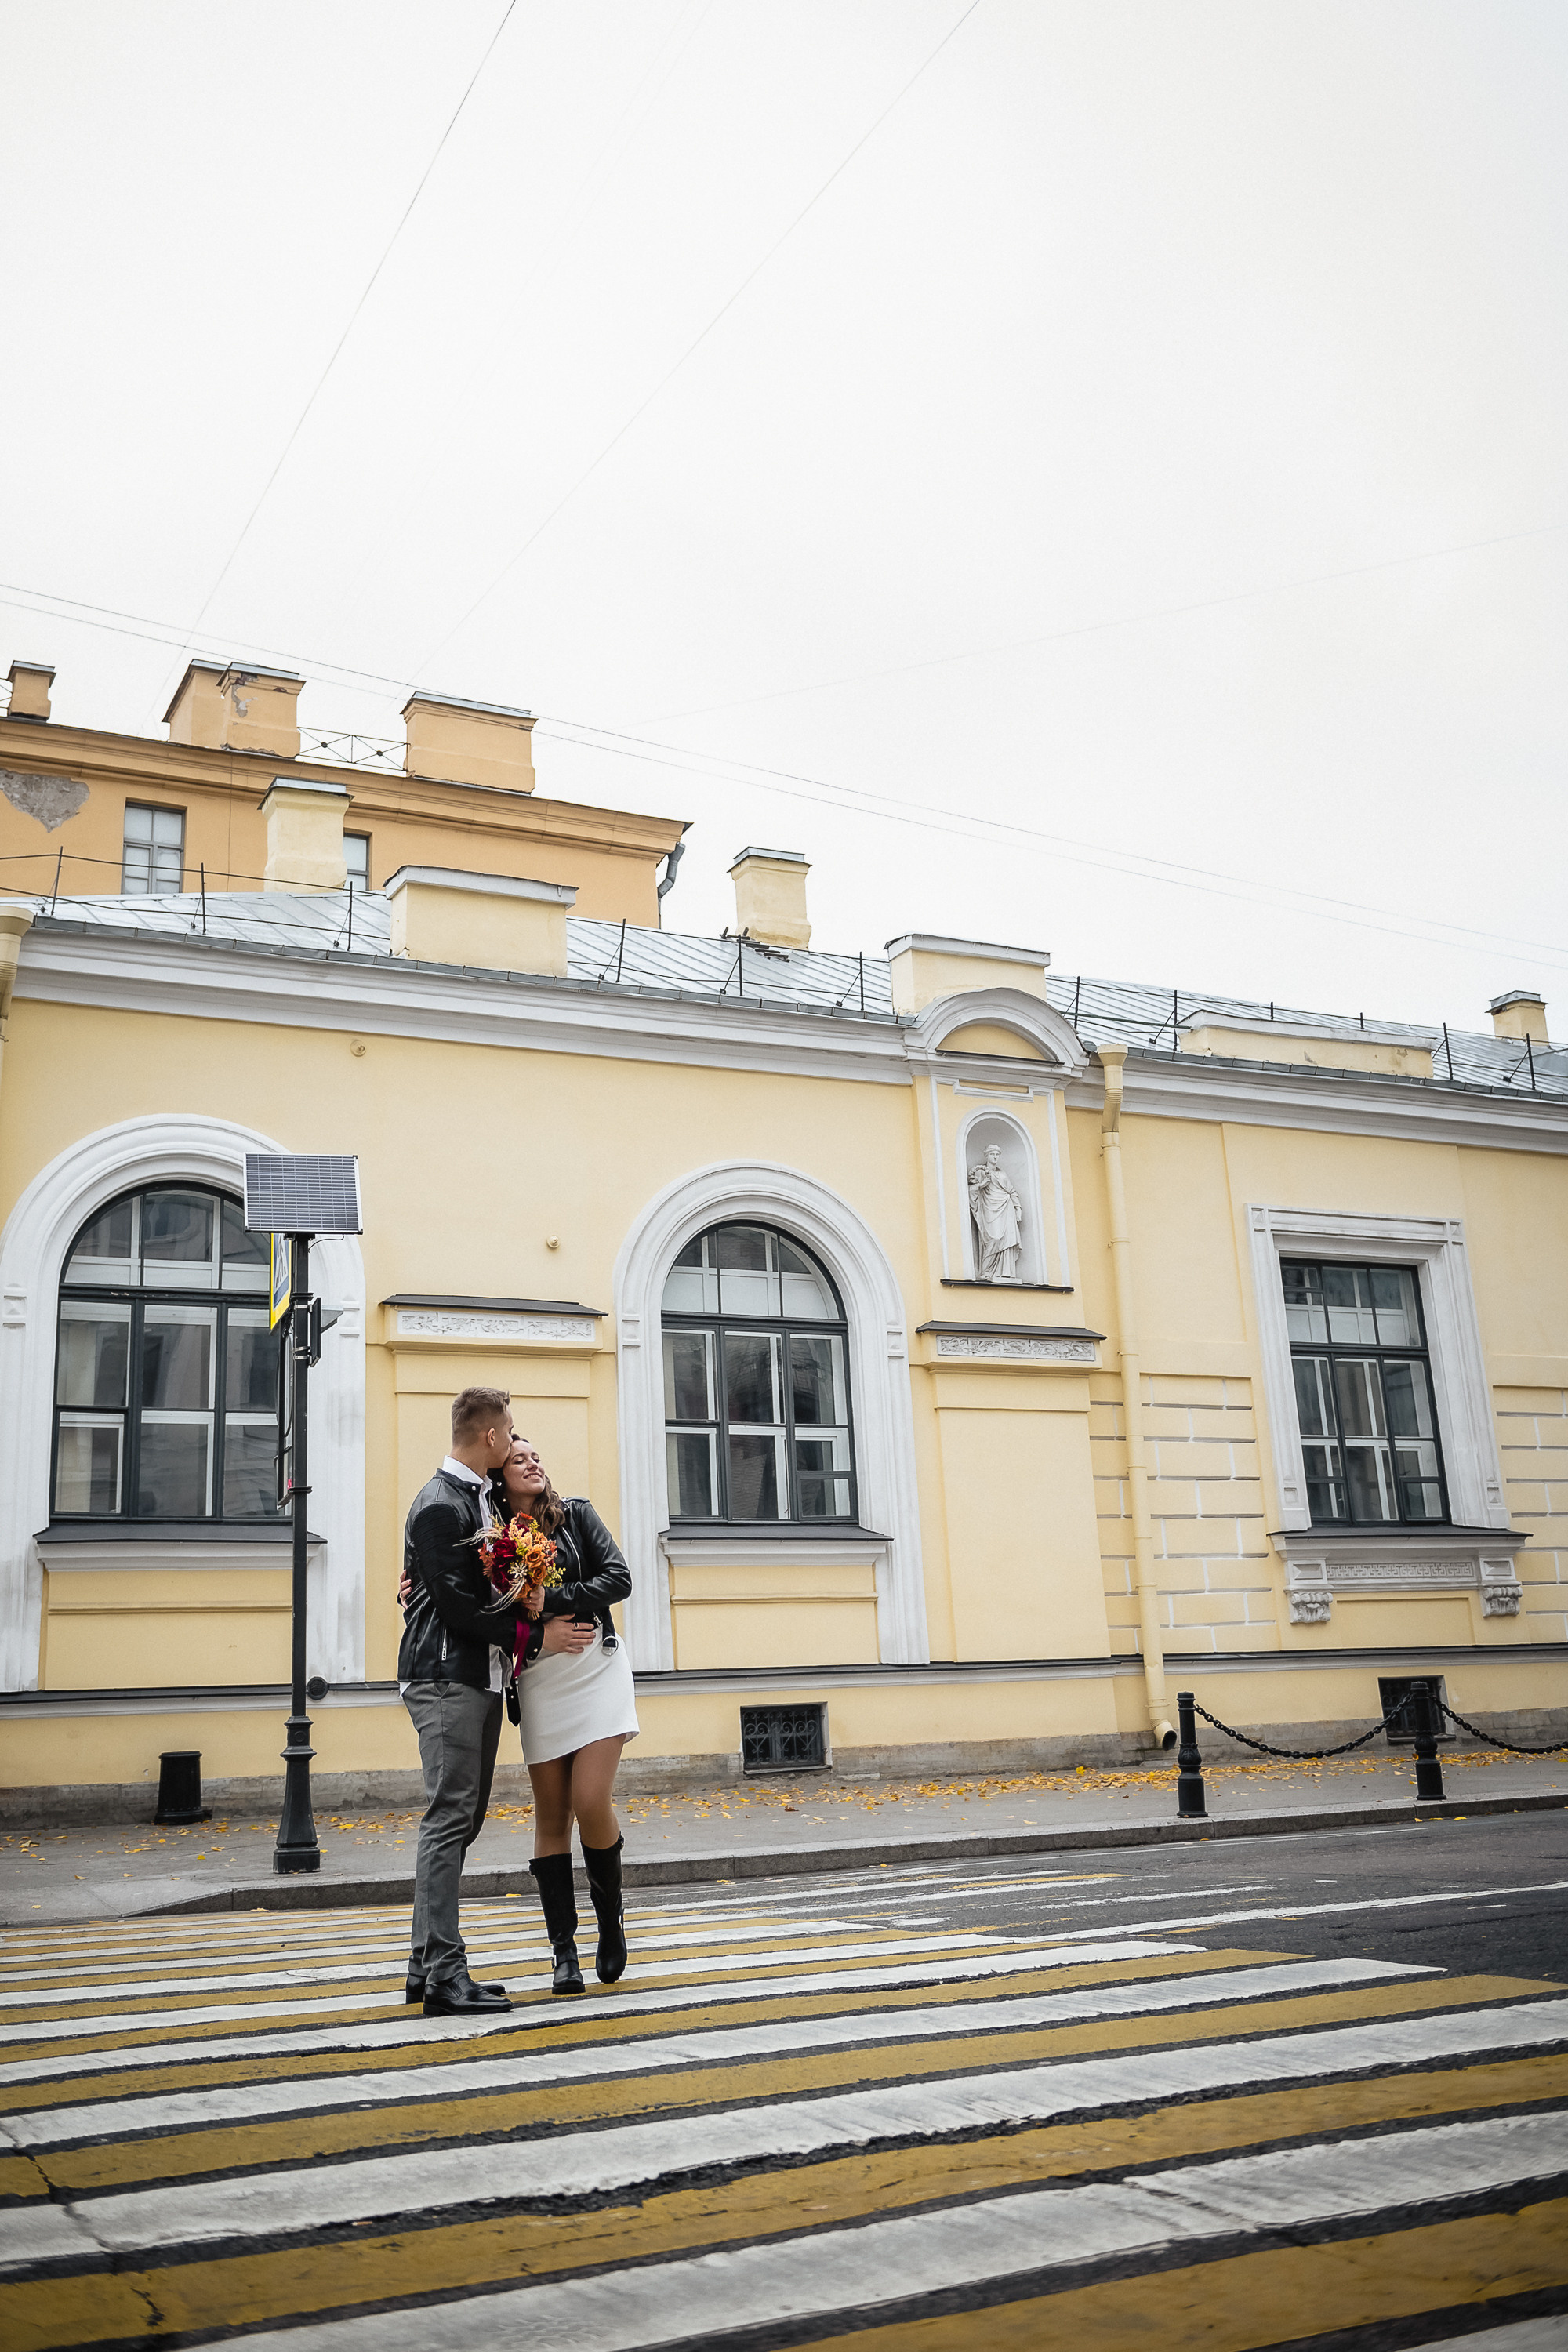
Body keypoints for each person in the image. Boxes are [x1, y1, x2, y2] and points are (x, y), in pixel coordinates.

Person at [398, 1385, 543, 2017]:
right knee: (448, 1819)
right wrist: (528, 1631)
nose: (513, 1442)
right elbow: (455, 1606)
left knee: (461, 1821)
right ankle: (444, 1979)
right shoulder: (439, 1504)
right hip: (444, 1676)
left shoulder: (473, 1499)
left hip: (473, 1677)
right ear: (490, 1437)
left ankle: (425, 1966)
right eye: (509, 1433)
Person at [489, 1436, 637, 1996]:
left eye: (536, 1456)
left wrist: (553, 1600)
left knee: (589, 1800)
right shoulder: (489, 1536)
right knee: (552, 1817)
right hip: (540, 1676)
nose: (533, 1463)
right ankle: (563, 1953)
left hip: (595, 1668)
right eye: (518, 1458)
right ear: (499, 1477)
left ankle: (611, 1920)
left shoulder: (574, 1515)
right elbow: (476, 1603)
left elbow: (618, 1578)